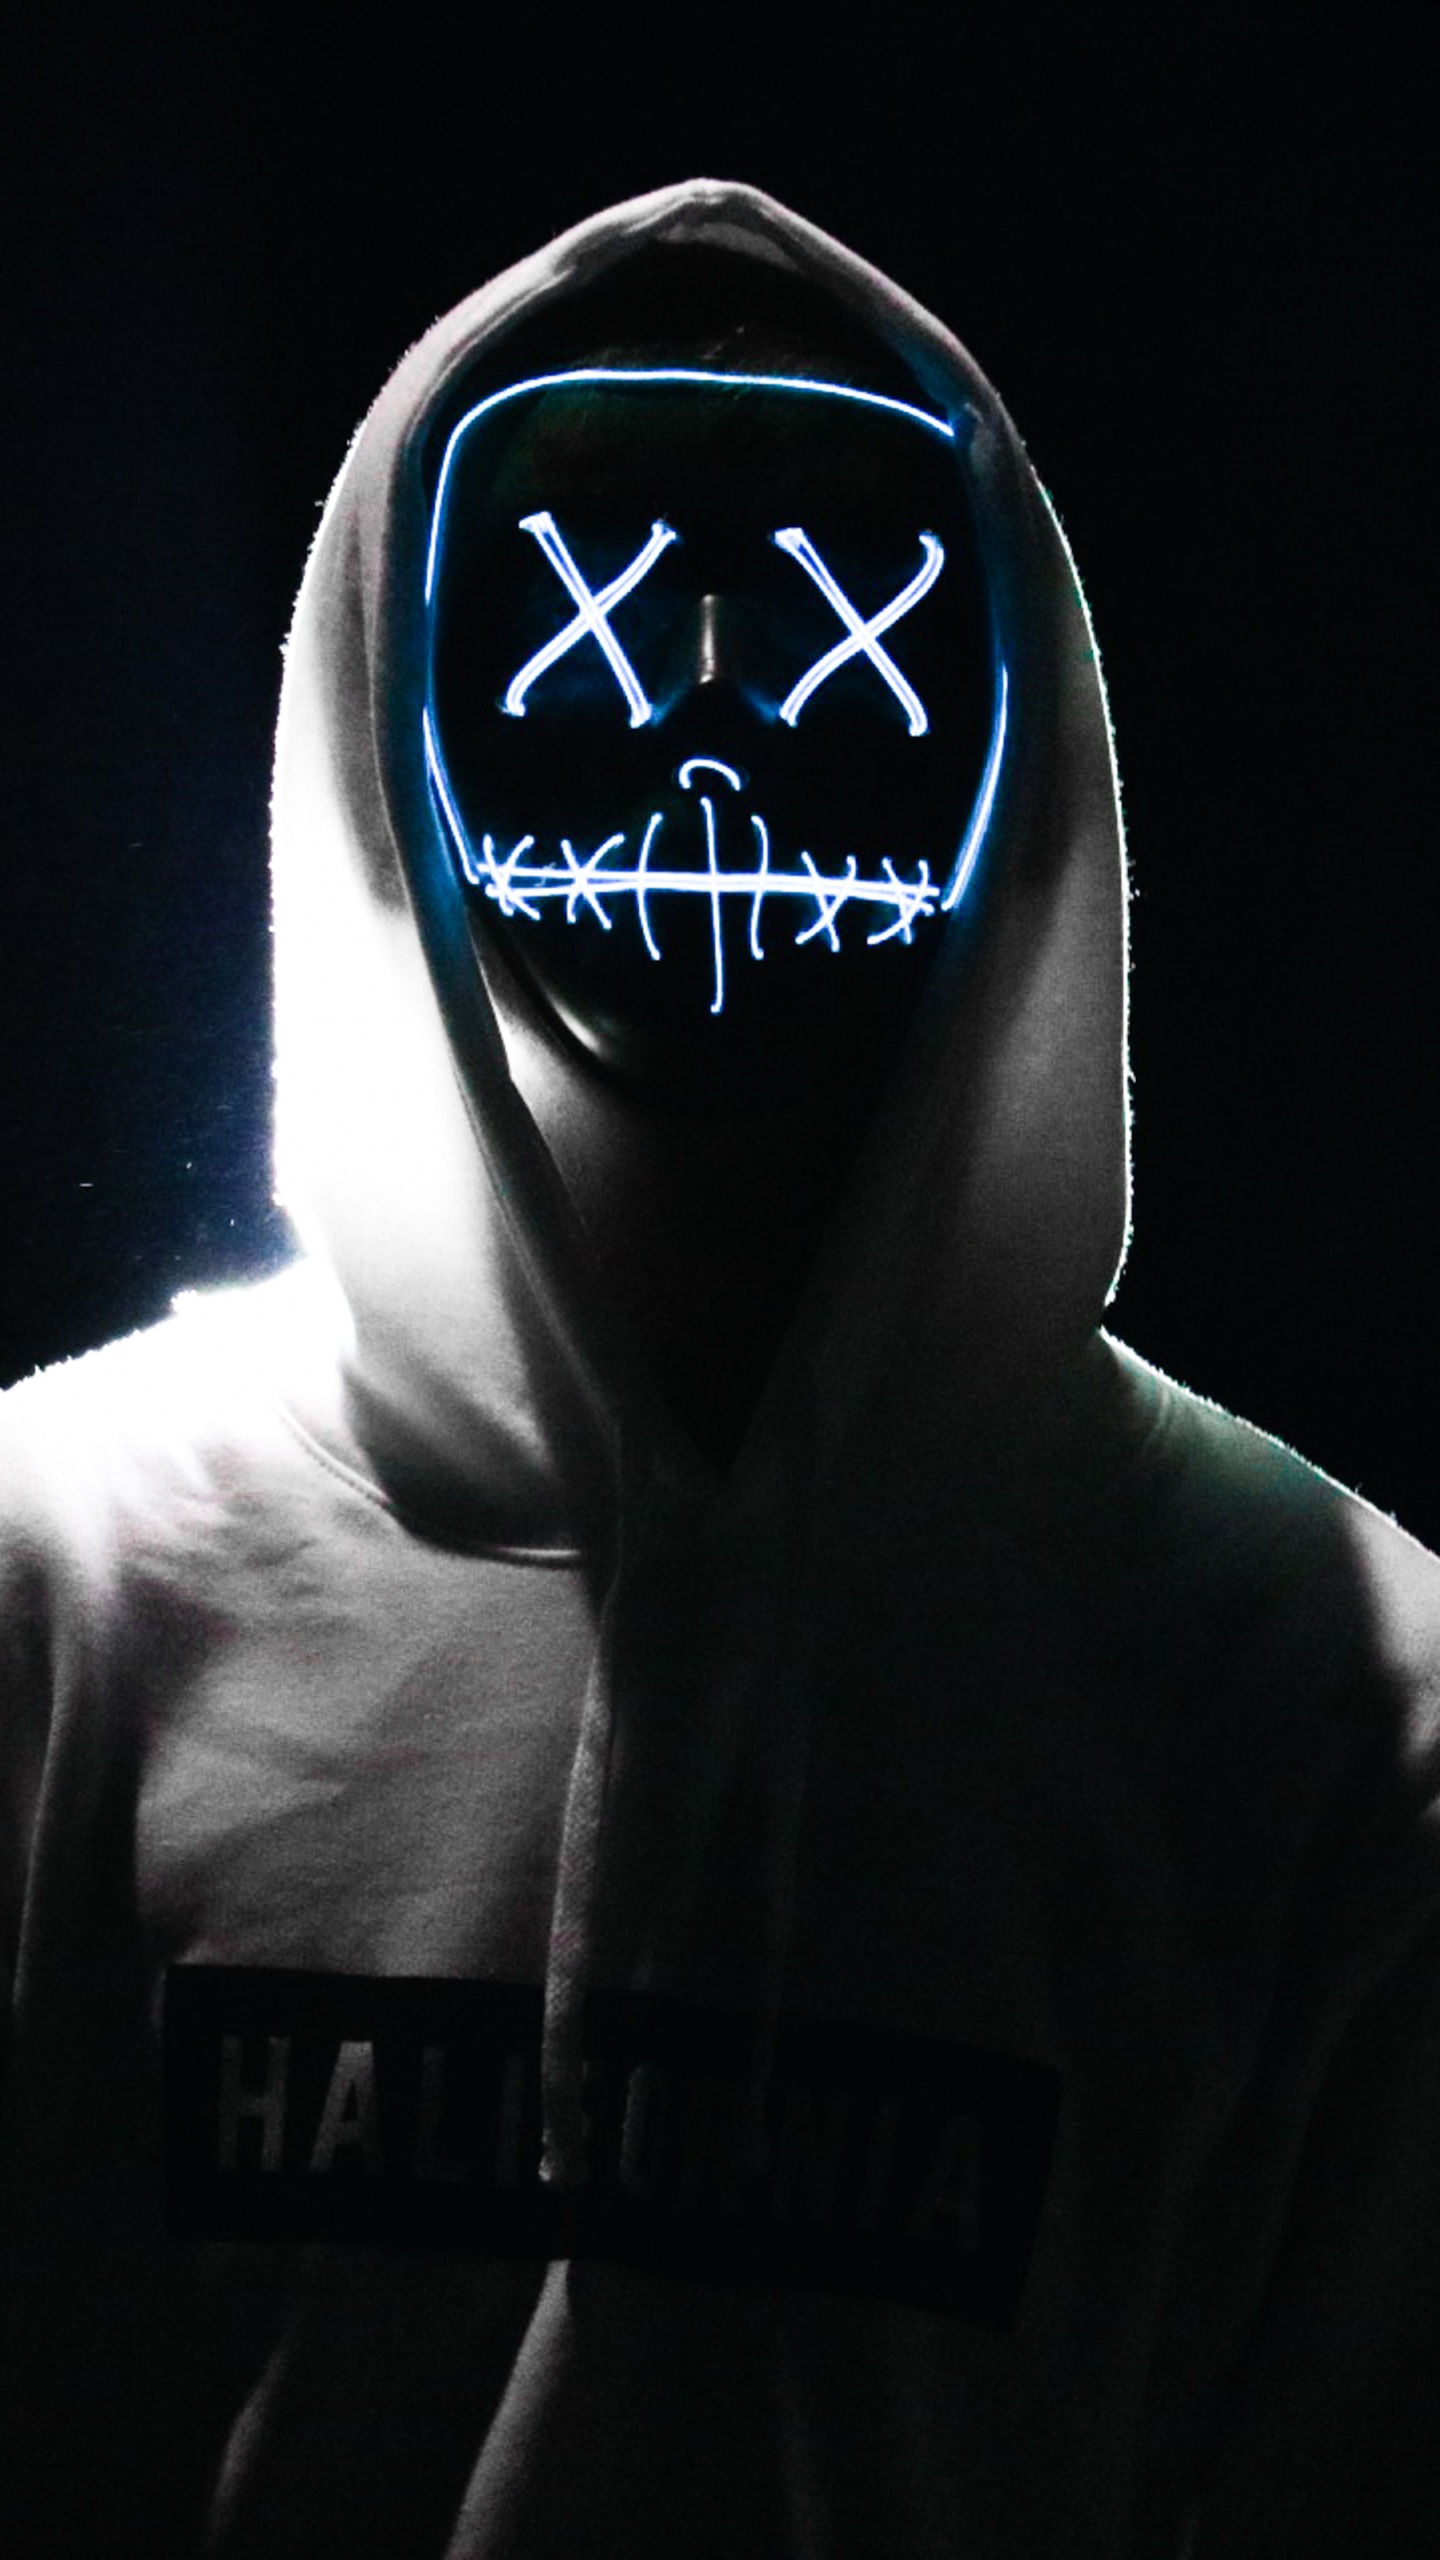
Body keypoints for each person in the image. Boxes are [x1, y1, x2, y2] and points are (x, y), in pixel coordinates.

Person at [1, 176, 1437, 2560]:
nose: (708, 742)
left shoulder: (1347, 1710)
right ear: (387, 687)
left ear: (1015, 722)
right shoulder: (52, 1586)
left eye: (834, 628)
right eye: (583, 620)